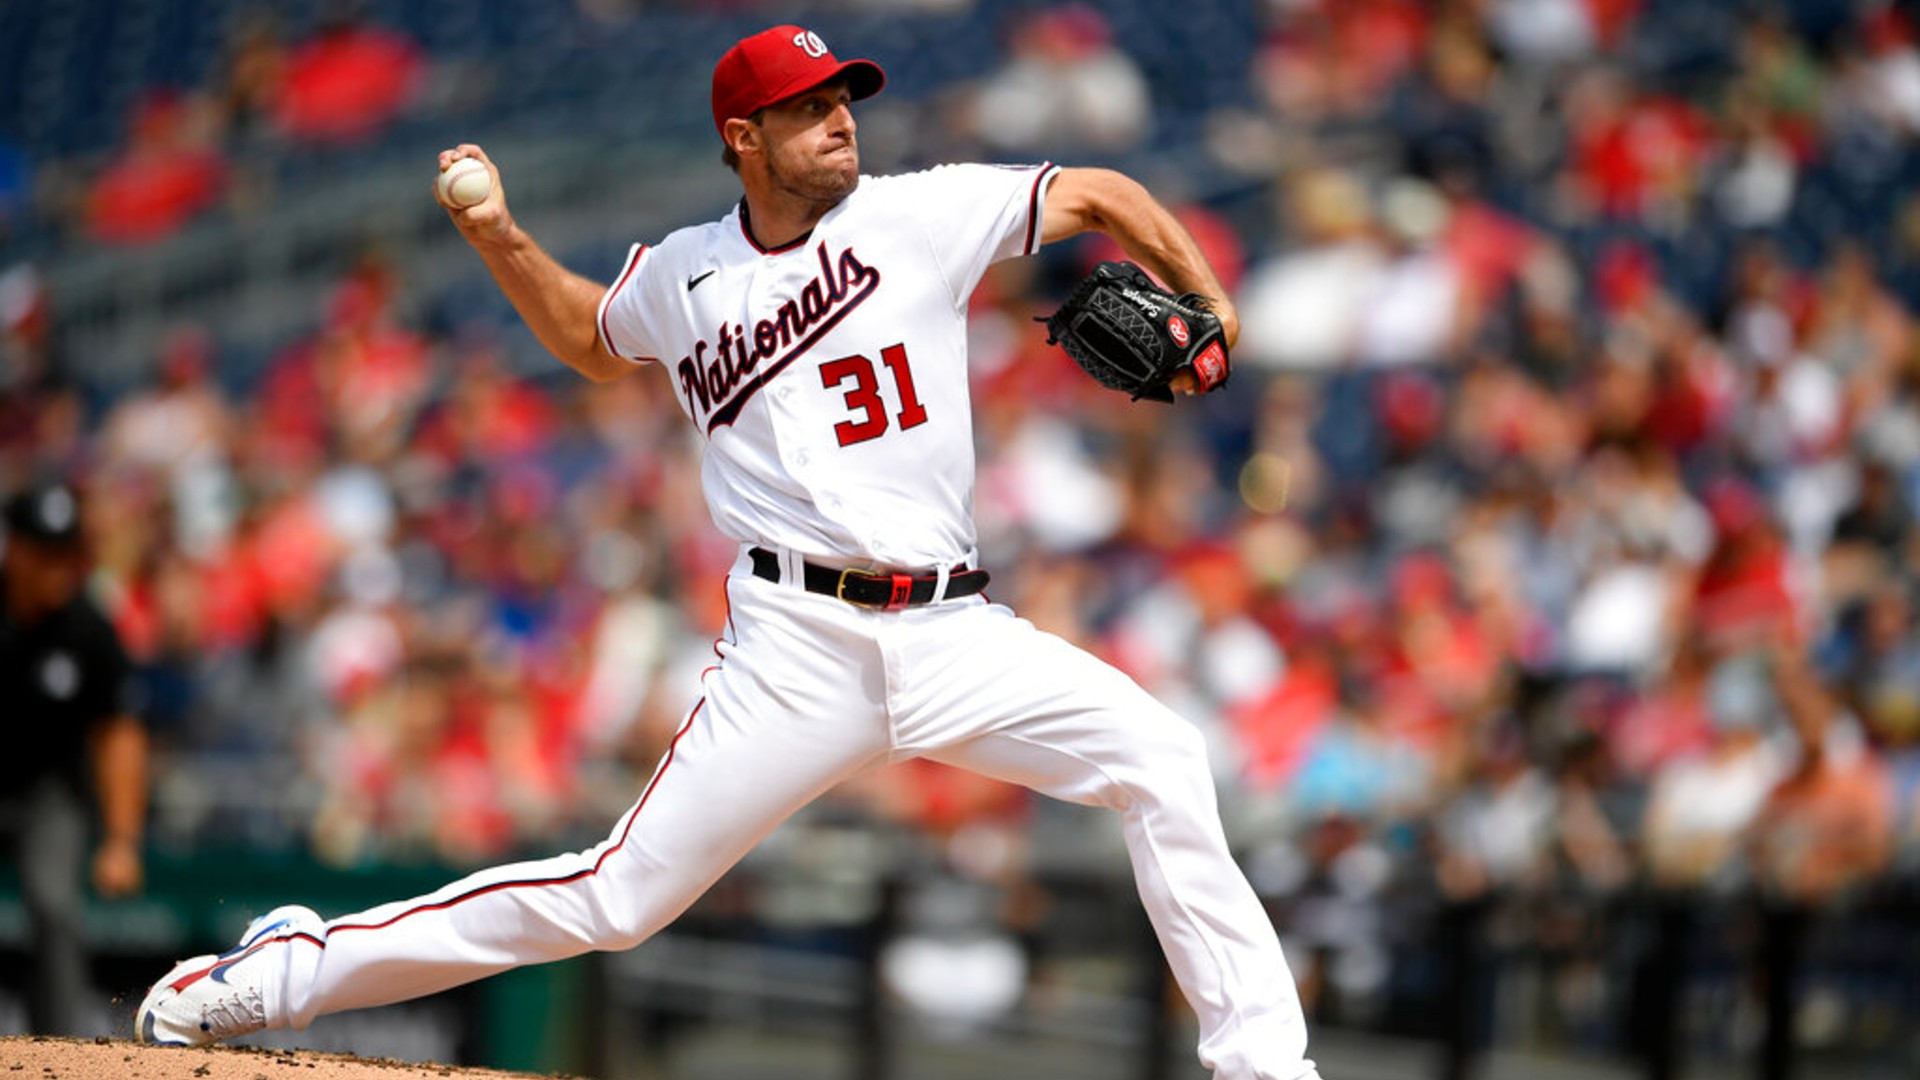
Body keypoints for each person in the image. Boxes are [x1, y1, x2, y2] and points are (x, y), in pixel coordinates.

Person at [135, 25, 1321, 1080]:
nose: (840, 118)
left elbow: (1103, 191)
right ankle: (282, 972)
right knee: (616, 897)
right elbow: (594, 340)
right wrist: (500, 235)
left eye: (843, 98)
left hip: (957, 632)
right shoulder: (681, 274)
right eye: (810, 108)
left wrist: (1212, 304)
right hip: (796, 648)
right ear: (745, 138)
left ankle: (1264, 1069)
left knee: (1162, 757)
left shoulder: (918, 212)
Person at [1, 482, 148, 1033]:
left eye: (68, 553)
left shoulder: (88, 626)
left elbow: (120, 737)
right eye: (45, 553)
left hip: (49, 789)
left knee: (56, 905)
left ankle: (59, 1051)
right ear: (13, 549)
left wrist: (121, 841)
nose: (60, 568)